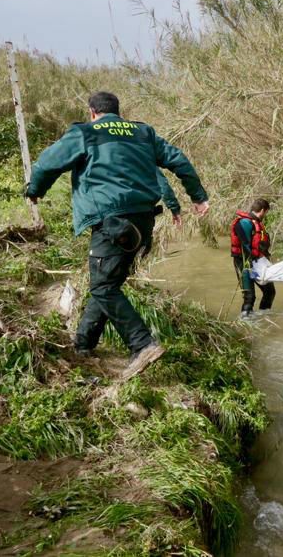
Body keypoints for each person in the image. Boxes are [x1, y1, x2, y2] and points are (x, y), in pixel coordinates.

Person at [25, 91, 210, 380]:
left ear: (92, 112)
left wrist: (35, 190)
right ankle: (83, 344)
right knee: (107, 282)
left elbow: (48, 162)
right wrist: (197, 197)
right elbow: (179, 160)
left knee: (103, 288)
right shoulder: (142, 132)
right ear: (117, 111)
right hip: (144, 222)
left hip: (112, 222)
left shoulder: (86, 132)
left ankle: (143, 344)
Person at [230, 199, 276, 316]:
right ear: (262, 211)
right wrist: (254, 262)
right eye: (266, 213)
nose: (265, 215)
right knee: (249, 297)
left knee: (270, 291)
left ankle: (264, 316)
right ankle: (245, 324)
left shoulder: (256, 223)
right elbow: (246, 245)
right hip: (244, 263)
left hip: (257, 262)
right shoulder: (243, 223)